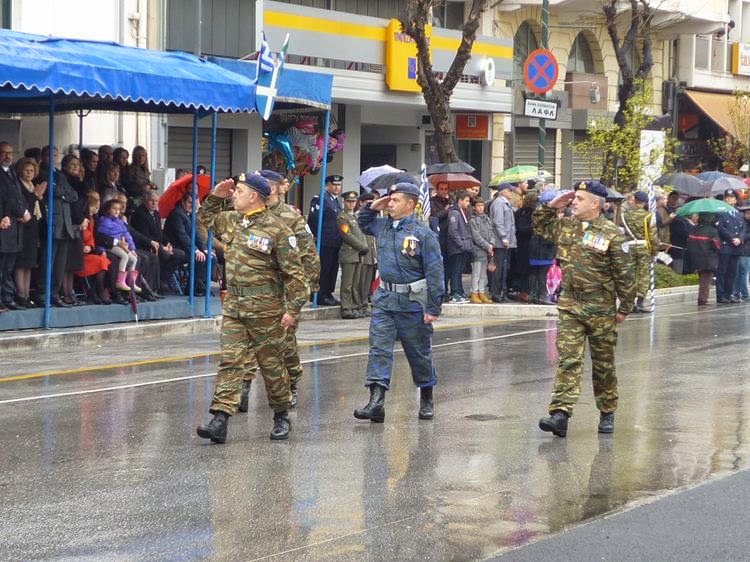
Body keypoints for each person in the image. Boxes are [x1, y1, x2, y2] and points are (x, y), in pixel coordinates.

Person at [195, 172, 308, 443]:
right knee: (231, 362)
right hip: (235, 306)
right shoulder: (232, 220)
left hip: (267, 309)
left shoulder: (277, 229)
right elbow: (203, 220)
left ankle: (281, 414)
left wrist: (292, 310)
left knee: (271, 365)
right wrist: (214, 198)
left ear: (254, 196)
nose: (235, 195)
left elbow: (296, 276)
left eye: (239, 192)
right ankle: (220, 419)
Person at [534, 181, 636, 437]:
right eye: (573, 198)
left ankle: (607, 410)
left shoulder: (613, 234)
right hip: (570, 305)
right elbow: (540, 225)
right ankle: (560, 414)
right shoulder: (567, 227)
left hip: (601, 307)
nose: (574, 202)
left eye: (580, 198)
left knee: (603, 364)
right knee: (569, 359)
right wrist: (552, 205)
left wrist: (624, 307)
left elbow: (625, 275)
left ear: (595, 204)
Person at [353, 182, 445, 423]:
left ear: (410, 205)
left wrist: (433, 307)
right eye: (389, 199)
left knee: (418, 353)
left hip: (413, 302)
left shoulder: (423, 234)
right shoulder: (382, 225)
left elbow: (435, 271)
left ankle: (426, 396)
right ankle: (376, 402)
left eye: (395, 200)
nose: (390, 203)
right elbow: (361, 223)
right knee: (379, 350)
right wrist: (374, 206)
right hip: (384, 300)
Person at [237, 169, 320, 413]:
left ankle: (291, 381)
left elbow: (309, 259)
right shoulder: (248, 215)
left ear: (271, 189)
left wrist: (301, 294)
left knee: (283, 343)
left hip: (284, 292)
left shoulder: (291, 218)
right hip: (256, 291)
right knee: (249, 342)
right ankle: (242, 390)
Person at [37, 146, 79, 308]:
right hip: (52, 222)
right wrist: (61, 193)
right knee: (48, 260)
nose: (53, 157)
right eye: (49, 155)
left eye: (55, 155)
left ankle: (54, 292)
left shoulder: (60, 174)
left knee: (60, 263)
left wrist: (61, 193)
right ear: (43, 156)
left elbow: (73, 195)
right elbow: (52, 192)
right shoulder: (41, 173)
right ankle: (43, 292)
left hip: (65, 224)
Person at [130, 191, 185, 290]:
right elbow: (145, 236)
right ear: (145, 201)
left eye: (156, 201)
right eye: (152, 201)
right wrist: (162, 247)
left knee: (180, 254)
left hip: (159, 245)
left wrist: (167, 243)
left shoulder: (156, 213)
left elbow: (160, 232)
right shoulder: (140, 214)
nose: (154, 203)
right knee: (165, 254)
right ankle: (158, 282)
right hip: (147, 245)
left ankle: (163, 279)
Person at [0, 142, 31, 310]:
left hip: (14, 228)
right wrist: (21, 212)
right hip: (4, 225)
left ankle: (7, 297)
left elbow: (19, 196)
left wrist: (25, 211)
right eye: (4, 153)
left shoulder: (12, 172)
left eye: (10, 153)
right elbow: (7, 198)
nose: (7, 156)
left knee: (8, 267)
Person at [14, 157, 46, 308]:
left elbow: (37, 208)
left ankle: (27, 295)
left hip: (33, 228)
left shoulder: (32, 185)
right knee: (21, 263)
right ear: (21, 171)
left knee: (30, 264)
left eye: (32, 170)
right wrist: (35, 195)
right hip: (22, 228)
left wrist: (38, 196)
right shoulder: (19, 185)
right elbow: (24, 202)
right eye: (26, 170)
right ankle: (20, 295)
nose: (29, 173)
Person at [164, 192, 209, 296]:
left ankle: (200, 284)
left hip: (186, 247)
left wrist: (204, 248)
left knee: (211, 257)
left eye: (194, 203)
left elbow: (196, 235)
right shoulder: (177, 214)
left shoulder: (190, 214)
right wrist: (196, 250)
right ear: (183, 202)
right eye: (189, 202)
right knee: (199, 258)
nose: (192, 205)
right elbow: (182, 236)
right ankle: (191, 289)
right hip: (177, 247)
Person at [307, 174, 343, 306]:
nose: (337, 187)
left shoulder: (335, 200)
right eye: (334, 184)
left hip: (335, 240)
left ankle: (328, 293)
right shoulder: (321, 199)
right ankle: (320, 294)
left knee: (332, 268)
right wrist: (316, 235)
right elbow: (313, 219)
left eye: (339, 185)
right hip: (325, 241)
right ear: (327, 185)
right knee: (324, 268)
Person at [622, 191, 658, 313]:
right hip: (643, 247)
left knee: (630, 276)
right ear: (645, 202)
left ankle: (629, 303)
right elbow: (652, 237)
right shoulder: (649, 216)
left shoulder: (624, 215)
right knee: (643, 275)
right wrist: (654, 252)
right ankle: (640, 303)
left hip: (629, 247)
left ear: (634, 200)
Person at [337, 190, 370, 319]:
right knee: (347, 284)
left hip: (358, 254)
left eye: (353, 201)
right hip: (349, 253)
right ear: (344, 202)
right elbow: (347, 235)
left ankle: (355, 307)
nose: (351, 204)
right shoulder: (342, 217)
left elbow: (361, 234)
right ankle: (346, 309)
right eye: (349, 201)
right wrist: (362, 247)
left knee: (356, 283)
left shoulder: (355, 216)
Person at [96, 199, 141, 293]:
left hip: (122, 245)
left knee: (134, 259)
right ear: (108, 210)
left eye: (118, 209)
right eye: (114, 208)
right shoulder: (105, 222)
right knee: (124, 256)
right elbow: (101, 239)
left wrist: (132, 249)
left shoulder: (120, 222)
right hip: (111, 246)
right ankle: (120, 281)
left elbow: (127, 235)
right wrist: (102, 249)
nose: (117, 211)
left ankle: (131, 281)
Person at [76, 192, 111, 304]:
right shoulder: (80, 220)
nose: (93, 210)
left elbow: (91, 239)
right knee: (100, 262)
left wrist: (91, 247)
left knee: (103, 261)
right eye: (92, 207)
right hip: (78, 253)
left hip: (89, 251)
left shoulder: (91, 220)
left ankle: (98, 291)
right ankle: (97, 292)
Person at [715, 189, 746, 304]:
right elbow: (720, 228)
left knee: (732, 272)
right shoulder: (721, 212)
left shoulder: (738, 213)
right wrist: (732, 238)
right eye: (727, 197)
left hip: (736, 246)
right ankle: (721, 295)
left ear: (735, 200)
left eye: (732, 197)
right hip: (726, 245)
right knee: (722, 271)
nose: (729, 199)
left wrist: (740, 238)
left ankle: (729, 294)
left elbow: (744, 228)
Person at [488, 183, 516, 302]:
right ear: (503, 191)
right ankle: (496, 293)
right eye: (510, 191)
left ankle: (502, 292)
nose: (511, 193)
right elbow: (498, 222)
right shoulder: (499, 203)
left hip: (508, 241)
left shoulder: (506, 203)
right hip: (501, 242)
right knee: (499, 268)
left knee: (505, 268)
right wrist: (504, 237)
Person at [685, 213, 720, 306]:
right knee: (706, 280)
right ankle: (703, 299)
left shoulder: (693, 229)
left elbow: (688, 242)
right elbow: (717, 245)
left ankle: (702, 298)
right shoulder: (712, 231)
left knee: (702, 278)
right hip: (708, 258)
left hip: (695, 257)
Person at [445, 189, 473, 303]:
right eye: (466, 200)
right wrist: (461, 244)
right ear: (460, 200)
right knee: (455, 271)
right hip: (457, 248)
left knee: (459, 271)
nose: (468, 203)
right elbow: (453, 231)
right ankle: (454, 293)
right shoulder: (454, 213)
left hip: (463, 247)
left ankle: (460, 291)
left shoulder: (462, 212)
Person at [468, 196, 495, 304]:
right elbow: (476, 236)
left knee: (483, 274)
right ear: (474, 207)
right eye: (478, 206)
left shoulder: (487, 218)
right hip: (477, 249)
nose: (481, 208)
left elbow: (491, 232)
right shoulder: (473, 220)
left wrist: (492, 244)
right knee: (476, 273)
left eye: (482, 205)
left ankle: (482, 292)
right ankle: (474, 293)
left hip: (487, 250)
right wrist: (486, 245)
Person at [357, 192, 377, 317]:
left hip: (371, 253)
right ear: (361, 203)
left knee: (367, 283)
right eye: (367, 203)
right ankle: (358, 305)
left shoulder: (375, 218)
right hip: (362, 252)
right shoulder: (359, 217)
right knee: (360, 282)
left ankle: (364, 305)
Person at [430, 181, 451, 294]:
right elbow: (434, 217)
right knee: (439, 266)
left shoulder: (449, 201)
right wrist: (446, 210)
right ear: (437, 190)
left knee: (447, 266)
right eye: (441, 189)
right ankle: (439, 290)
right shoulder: (432, 202)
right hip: (438, 237)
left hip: (449, 238)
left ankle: (446, 290)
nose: (444, 191)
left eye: (446, 189)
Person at [732, 205, 750, 302]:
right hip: (743, 251)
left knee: (742, 273)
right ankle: (743, 294)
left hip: (745, 251)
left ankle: (738, 294)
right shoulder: (742, 223)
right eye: (747, 213)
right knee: (742, 273)